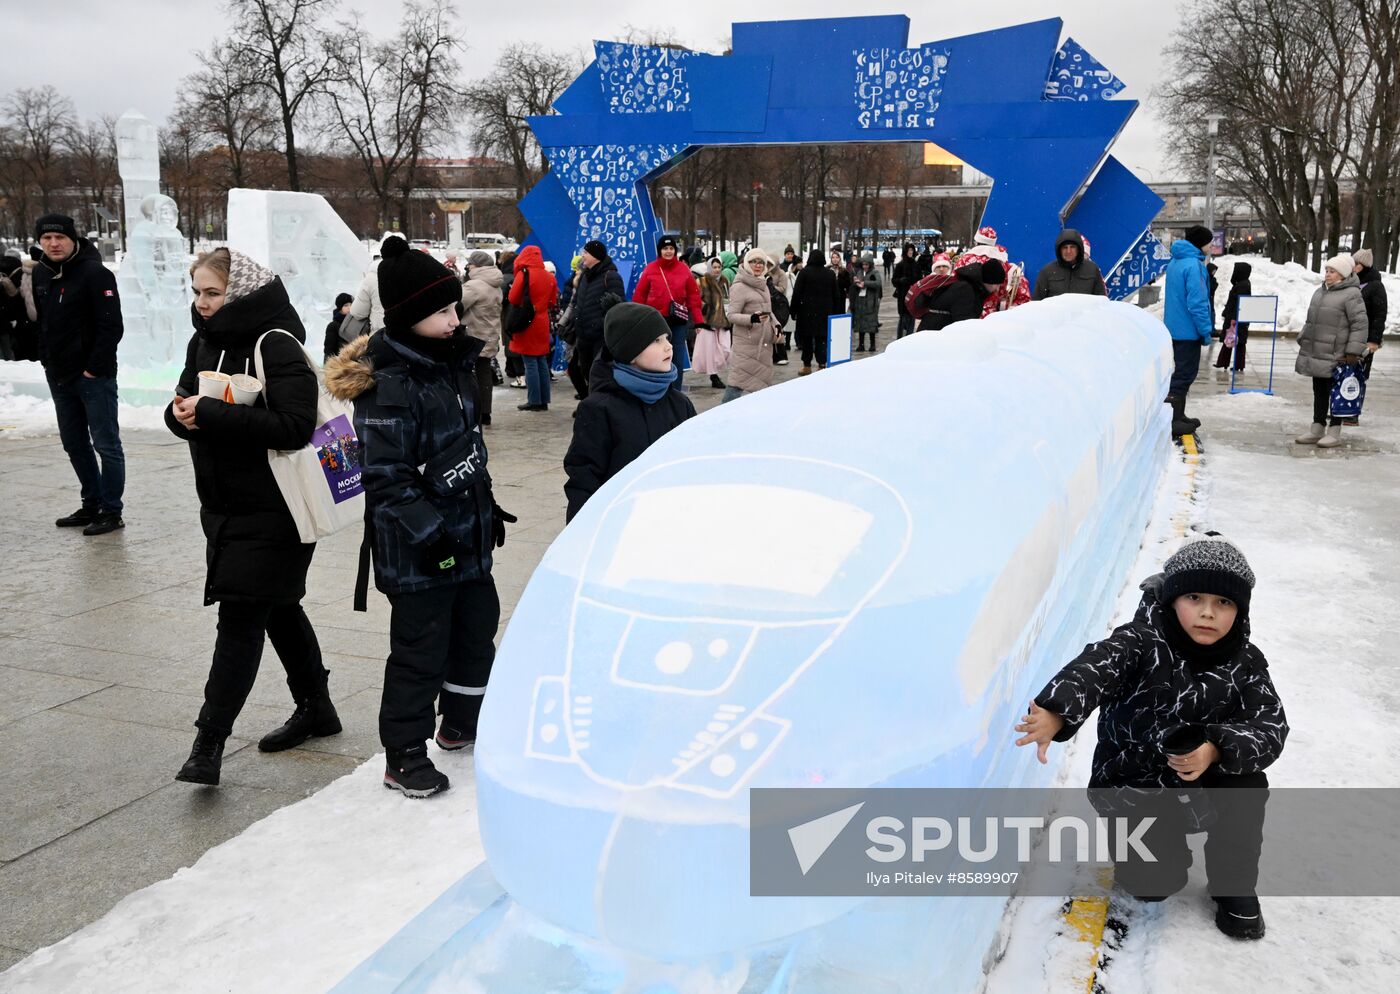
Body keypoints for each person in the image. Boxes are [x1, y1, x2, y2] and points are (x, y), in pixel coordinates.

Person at [1015, 537, 1286, 940]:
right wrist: (1057, 711)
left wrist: (1216, 748)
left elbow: (1270, 726)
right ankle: (1155, 851)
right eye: (1194, 597)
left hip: (1204, 776)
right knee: (1153, 885)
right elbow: (1095, 669)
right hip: (1135, 784)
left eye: (1224, 603)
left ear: (1239, 609)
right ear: (1173, 598)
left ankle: (1234, 886)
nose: (1208, 613)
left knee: (1246, 784)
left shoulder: (1246, 662)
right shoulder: (1138, 642)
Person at [325, 237, 512, 797]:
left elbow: (464, 447)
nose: (455, 321)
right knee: (420, 651)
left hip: (467, 534)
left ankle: (460, 723)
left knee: (476, 632)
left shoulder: (449, 364)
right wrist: (431, 538)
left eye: (456, 308)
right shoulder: (389, 385)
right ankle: (402, 754)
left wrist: (488, 507)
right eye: (442, 312)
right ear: (408, 319)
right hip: (418, 548)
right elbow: (387, 477)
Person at [165, 248, 337, 786]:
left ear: (238, 292)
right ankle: (317, 707)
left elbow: (293, 428)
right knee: (279, 606)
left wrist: (213, 413)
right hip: (223, 505)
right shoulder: (203, 341)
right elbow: (184, 405)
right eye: (197, 292)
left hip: (278, 507)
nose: (203, 303)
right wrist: (181, 417)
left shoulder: (276, 343)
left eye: (212, 293)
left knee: (240, 616)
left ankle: (207, 743)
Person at [29, 213, 126, 535]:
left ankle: (111, 511)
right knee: (74, 444)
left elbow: (111, 325)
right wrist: (46, 360)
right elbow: (43, 323)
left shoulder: (95, 273)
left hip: (93, 378)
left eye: (60, 238)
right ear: (40, 241)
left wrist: (93, 369)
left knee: (106, 444)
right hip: (59, 375)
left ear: (73, 239)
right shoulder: (41, 274)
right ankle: (91, 503)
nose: (54, 244)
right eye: (47, 238)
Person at [563, 302, 696, 522]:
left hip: (671, 520)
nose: (668, 347)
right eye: (656, 340)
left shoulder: (680, 404)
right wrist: (581, 532)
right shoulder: (599, 409)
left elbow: (693, 464)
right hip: (619, 523)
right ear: (631, 353)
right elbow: (584, 477)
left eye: (667, 338)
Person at [1294, 253, 1369, 448]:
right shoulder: (1320, 292)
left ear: (1343, 274)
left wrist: (1353, 351)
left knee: (1335, 392)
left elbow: (1359, 324)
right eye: (1327, 270)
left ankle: (1334, 430)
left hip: (1338, 354)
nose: (1327, 274)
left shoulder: (1352, 294)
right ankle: (1317, 427)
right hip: (1317, 351)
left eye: (1332, 271)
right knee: (1318, 390)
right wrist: (1304, 336)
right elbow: (1311, 319)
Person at [631, 235, 705, 393]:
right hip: (656, 321)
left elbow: (694, 296)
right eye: (665, 248)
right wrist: (637, 319)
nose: (668, 251)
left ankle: (675, 392)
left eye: (671, 248)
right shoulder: (651, 268)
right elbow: (640, 295)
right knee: (656, 356)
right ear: (660, 251)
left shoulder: (683, 269)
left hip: (678, 320)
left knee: (676, 356)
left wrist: (698, 321)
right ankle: (657, 389)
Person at [1160, 226, 1215, 437]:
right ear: (1200, 242)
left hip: (1174, 327)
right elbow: (1197, 301)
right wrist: (1205, 330)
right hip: (1188, 331)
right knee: (1185, 375)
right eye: (1209, 242)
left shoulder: (1176, 261)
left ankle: (1179, 415)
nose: (1211, 246)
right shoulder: (1194, 265)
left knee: (1181, 373)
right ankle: (1173, 419)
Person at [569, 239, 625, 404]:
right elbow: (578, 302)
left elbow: (617, 306)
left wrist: (600, 325)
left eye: (585, 253)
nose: (582, 256)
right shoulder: (585, 276)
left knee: (599, 374)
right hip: (583, 335)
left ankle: (600, 405)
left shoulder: (611, 276)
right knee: (580, 371)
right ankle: (590, 403)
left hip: (600, 336)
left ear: (595, 256)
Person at [723, 249, 780, 403]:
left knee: (761, 386)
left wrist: (776, 324)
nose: (758, 265)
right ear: (746, 264)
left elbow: (768, 311)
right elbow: (731, 315)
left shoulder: (763, 283)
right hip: (746, 346)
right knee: (737, 385)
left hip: (763, 346)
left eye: (761, 262)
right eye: (753, 261)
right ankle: (721, 417)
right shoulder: (739, 286)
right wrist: (751, 318)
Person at [506, 245, 558, 411]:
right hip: (542, 321)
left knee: (529, 362)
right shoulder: (549, 276)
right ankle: (544, 400)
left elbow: (513, 298)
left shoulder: (524, 274)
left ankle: (534, 400)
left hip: (527, 321)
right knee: (541, 360)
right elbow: (552, 301)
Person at [460, 250, 503, 426]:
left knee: (467, 375)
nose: (467, 267)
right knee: (484, 373)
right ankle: (486, 412)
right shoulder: (495, 284)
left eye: (469, 264)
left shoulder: (474, 286)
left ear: (477, 266)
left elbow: (458, 305)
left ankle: (472, 411)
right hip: (489, 334)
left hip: (473, 335)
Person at [789, 248, 843, 374]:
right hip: (825, 313)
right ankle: (821, 364)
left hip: (806, 313)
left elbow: (796, 293)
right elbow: (836, 295)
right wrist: (836, 313)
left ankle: (807, 365)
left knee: (807, 339)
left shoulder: (804, 273)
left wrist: (793, 311)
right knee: (822, 339)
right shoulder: (829, 274)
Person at [917, 258, 1004, 331]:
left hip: (934, 333)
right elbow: (964, 327)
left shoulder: (970, 285)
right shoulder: (967, 291)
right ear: (989, 281)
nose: (997, 289)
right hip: (935, 337)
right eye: (997, 285)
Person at [1032, 229, 1107, 300]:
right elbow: (1036, 304)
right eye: (1065, 247)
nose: (1068, 251)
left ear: (1079, 249)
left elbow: (1101, 303)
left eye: (1072, 247)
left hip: (1085, 313)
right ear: (1059, 250)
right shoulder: (1047, 272)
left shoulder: (1092, 270)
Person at [694, 260, 730, 389]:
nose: (717, 269)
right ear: (709, 267)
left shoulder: (725, 281)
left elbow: (728, 298)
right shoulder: (702, 281)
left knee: (726, 348)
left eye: (719, 266)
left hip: (723, 319)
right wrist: (704, 311)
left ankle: (716, 371)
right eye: (714, 267)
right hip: (707, 320)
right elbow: (695, 300)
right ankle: (713, 376)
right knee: (710, 351)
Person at [1215, 262, 1252, 380]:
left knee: (1234, 341)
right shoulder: (1242, 284)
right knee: (1233, 341)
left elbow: (1240, 303)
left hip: (1236, 318)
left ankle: (1230, 363)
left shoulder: (1242, 285)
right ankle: (1231, 364)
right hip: (1236, 317)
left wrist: (1234, 318)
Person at [497, 249, 525, 388]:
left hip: (510, 315)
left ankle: (520, 376)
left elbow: (500, 299)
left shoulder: (506, 278)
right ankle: (513, 370)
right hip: (522, 315)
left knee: (511, 345)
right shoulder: (522, 275)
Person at [850, 252, 883, 352]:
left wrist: (865, 283)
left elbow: (878, 283)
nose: (865, 266)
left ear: (870, 264)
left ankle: (872, 344)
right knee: (860, 324)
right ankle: (861, 344)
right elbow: (856, 284)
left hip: (870, 302)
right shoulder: (859, 272)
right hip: (860, 301)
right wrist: (856, 283)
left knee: (871, 324)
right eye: (863, 264)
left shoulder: (874, 273)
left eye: (866, 264)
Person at [766, 254, 791, 365]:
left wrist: (770, 286)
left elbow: (782, 289)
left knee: (777, 329)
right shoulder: (765, 273)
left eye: (771, 263)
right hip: (768, 304)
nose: (768, 266)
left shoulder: (781, 274)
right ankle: (771, 355)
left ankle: (781, 355)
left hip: (778, 305)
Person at [891, 243, 920, 340]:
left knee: (911, 317)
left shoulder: (916, 265)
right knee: (903, 318)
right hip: (902, 295)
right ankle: (900, 339)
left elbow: (919, 280)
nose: (910, 252)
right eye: (909, 250)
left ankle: (910, 339)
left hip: (913, 294)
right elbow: (894, 280)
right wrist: (900, 281)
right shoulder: (900, 265)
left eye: (912, 250)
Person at [323, 292, 354, 361]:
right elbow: (329, 350)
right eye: (346, 305)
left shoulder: (356, 323)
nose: (349, 307)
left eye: (351, 305)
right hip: (340, 363)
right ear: (340, 308)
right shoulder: (333, 326)